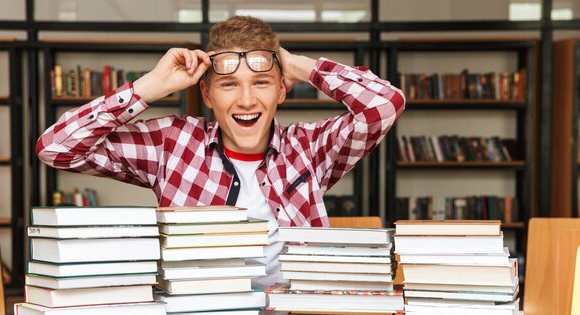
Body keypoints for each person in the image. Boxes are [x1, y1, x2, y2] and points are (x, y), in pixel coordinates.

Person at [36, 15, 405, 294]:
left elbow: (385, 104)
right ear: (208, 96)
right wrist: (151, 86)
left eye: (261, 82)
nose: (246, 100)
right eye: (229, 85)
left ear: (281, 91)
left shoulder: (310, 148)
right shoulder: (173, 143)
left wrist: (296, 66)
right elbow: (56, 147)